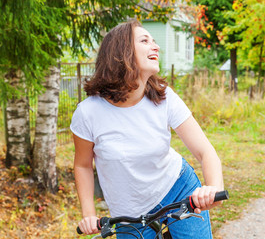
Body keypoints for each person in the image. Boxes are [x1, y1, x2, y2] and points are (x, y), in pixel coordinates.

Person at [70, 19, 224, 239]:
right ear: (122, 52)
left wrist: (213, 189)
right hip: (129, 214)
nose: (156, 46)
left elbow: (205, 152)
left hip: (178, 189)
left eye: (154, 40)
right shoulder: (88, 113)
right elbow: (83, 165)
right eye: (145, 40)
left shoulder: (164, 97)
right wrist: (89, 214)